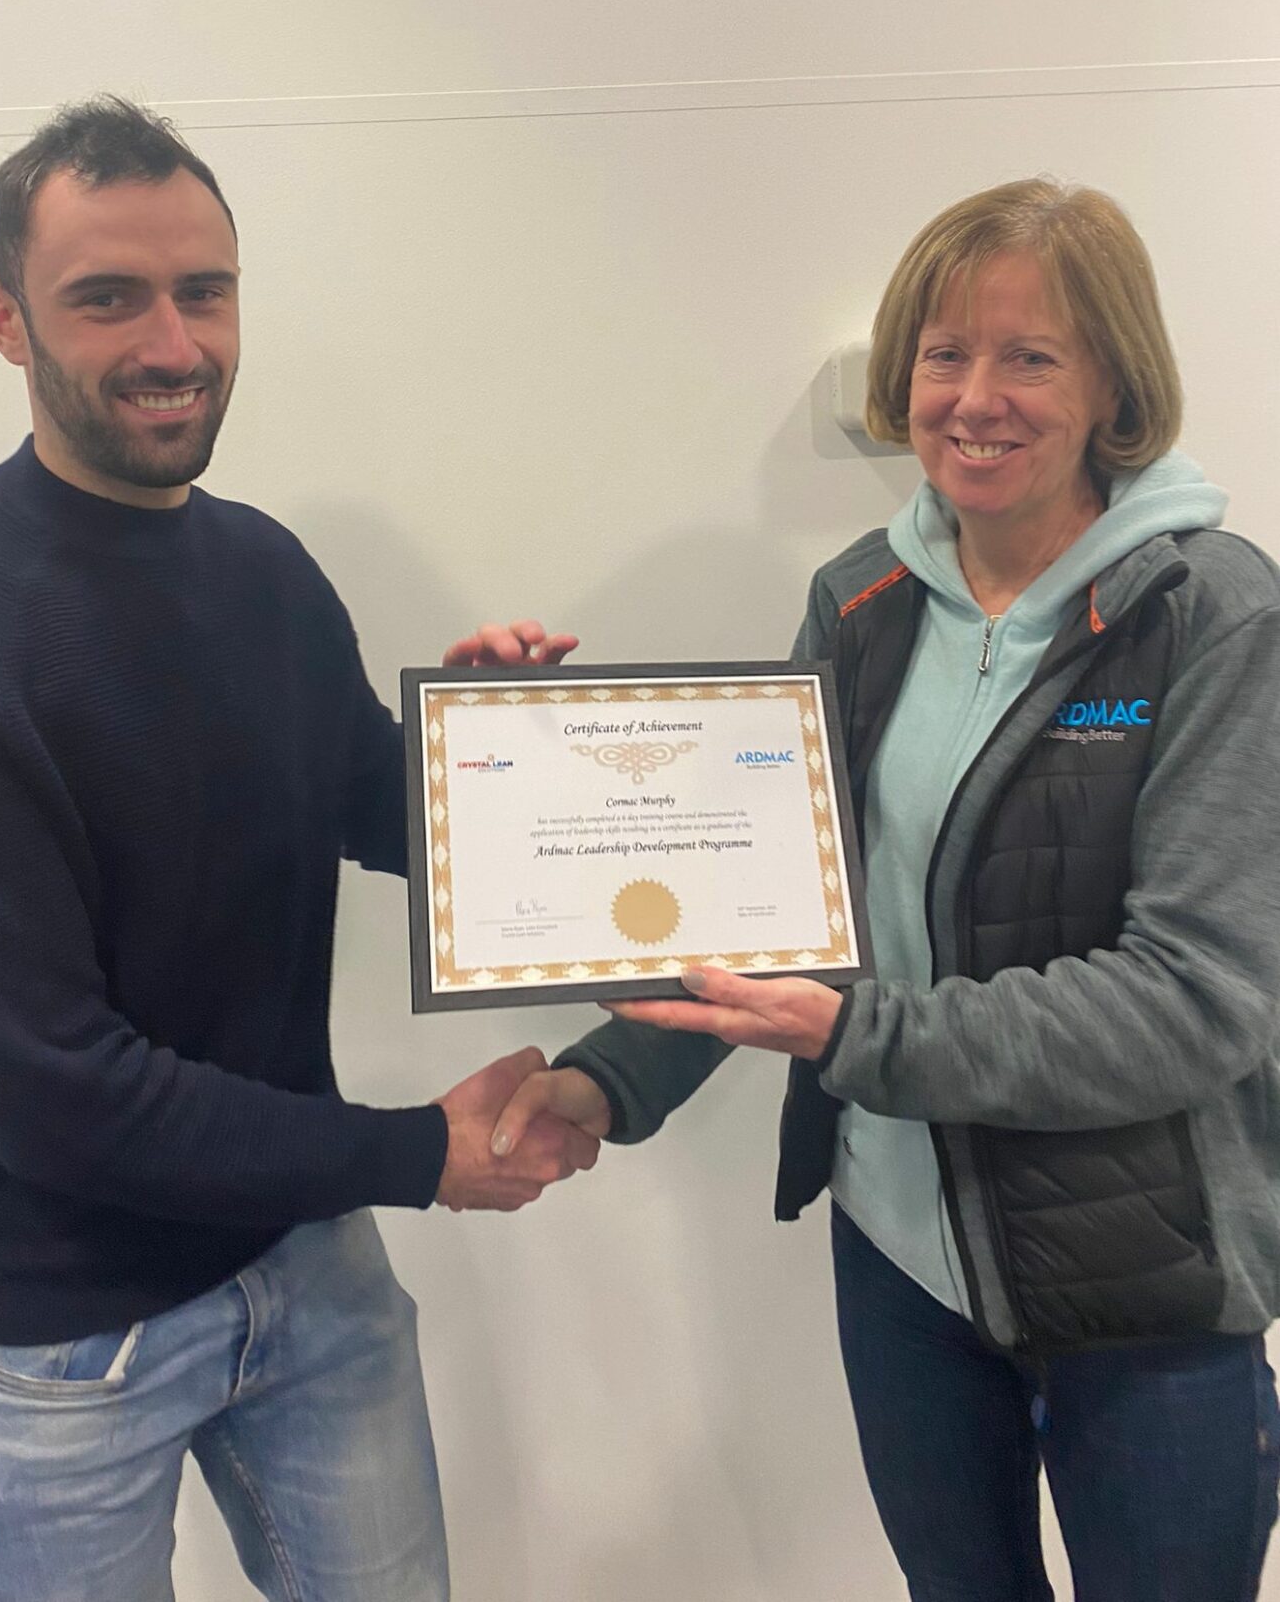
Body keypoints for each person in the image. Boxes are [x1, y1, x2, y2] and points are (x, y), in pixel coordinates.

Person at [0, 96, 597, 1602]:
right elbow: (61, 1097)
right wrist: (415, 1155)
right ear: (3, 317)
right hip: (65, 1338)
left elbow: (366, 806)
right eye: (108, 297)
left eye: (204, 291)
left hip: (307, 1271)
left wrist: (494, 765)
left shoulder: (263, 571)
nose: (173, 343)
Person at [495, 178, 1280, 1601]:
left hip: (1143, 1289)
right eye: (942, 353)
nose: (974, 398)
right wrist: (606, 1072)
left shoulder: (1212, 614)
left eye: (1028, 356)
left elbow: (1197, 1001)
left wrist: (862, 1036)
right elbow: (779, 901)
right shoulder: (861, 600)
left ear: (1113, 384)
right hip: (902, 1266)